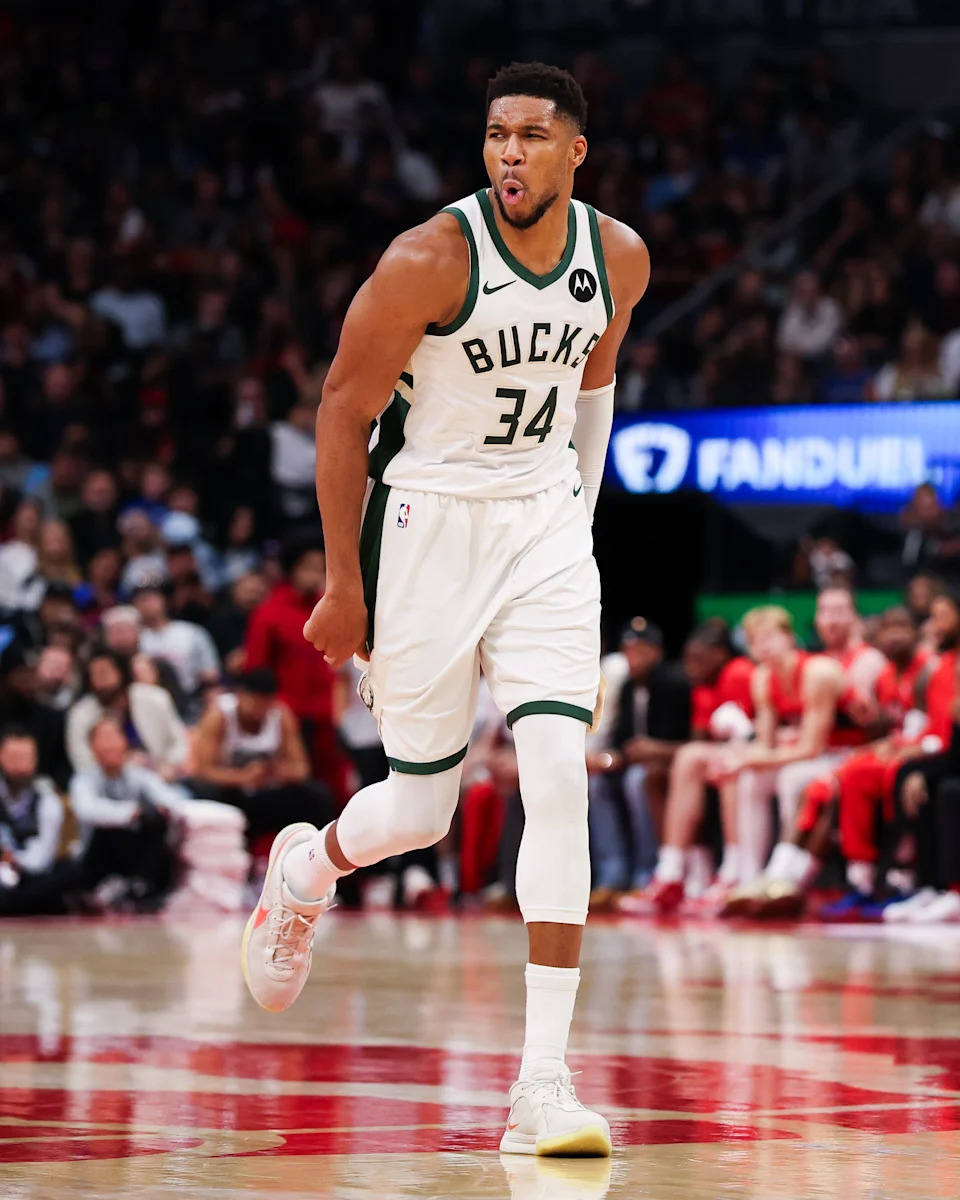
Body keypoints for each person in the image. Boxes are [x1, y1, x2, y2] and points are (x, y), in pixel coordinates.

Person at [240, 62, 650, 1159]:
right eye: (495, 134)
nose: (509, 152)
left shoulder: (617, 257)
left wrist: (578, 521)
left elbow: (594, 386)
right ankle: (306, 869)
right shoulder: (428, 258)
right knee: (420, 809)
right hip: (426, 523)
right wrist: (341, 581)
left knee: (560, 782)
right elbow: (341, 409)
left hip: (544, 528)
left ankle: (542, 1088)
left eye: (531, 135)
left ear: (576, 151)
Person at [621, 621, 754, 915]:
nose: (689, 667)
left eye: (697, 659)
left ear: (719, 655)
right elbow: (699, 739)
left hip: (759, 753)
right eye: (687, 659)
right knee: (678, 765)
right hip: (728, 753)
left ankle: (733, 872)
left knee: (718, 763)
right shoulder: (703, 689)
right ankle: (675, 873)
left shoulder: (738, 672)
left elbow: (748, 735)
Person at [588, 619, 690, 908]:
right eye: (629, 651)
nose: (634, 658)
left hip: (667, 765)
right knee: (597, 783)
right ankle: (613, 874)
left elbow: (687, 740)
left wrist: (652, 750)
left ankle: (648, 872)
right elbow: (622, 740)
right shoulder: (628, 687)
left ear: (657, 652)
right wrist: (611, 758)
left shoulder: (674, 683)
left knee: (636, 781)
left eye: (641, 651)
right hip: (635, 763)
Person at [243, 532, 350, 804]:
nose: (315, 575)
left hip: (325, 717)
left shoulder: (328, 608)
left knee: (335, 794)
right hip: (288, 719)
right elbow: (255, 670)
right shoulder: (269, 613)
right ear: (292, 569)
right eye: (309, 567)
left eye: (320, 568)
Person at [191, 667, 334, 844]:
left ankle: (314, 854)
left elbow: (302, 769)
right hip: (232, 791)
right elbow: (202, 771)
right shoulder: (219, 716)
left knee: (317, 795)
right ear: (240, 696)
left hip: (268, 789)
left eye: (265, 704)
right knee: (207, 793)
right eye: (254, 702)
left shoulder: (281, 716)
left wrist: (274, 772)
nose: (259, 710)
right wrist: (243, 777)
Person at [69, 716, 179, 910]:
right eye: (103, 739)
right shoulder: (82, 780)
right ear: (92, 747)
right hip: (97, 857)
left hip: (132, 855)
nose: (110, 745)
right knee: (108, 827)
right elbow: (88, 811)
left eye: (114, 737)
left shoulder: (140, 775)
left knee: (156, 819)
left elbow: (172, 800)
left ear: (125, 743)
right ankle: (98, 892)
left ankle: (140, 886)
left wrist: (159, 809)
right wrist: (131, 812)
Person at [66, 649, 190, 779]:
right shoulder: (80, 714)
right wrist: (120, 770)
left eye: (105, 673)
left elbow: (178, 741)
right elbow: (82, 761)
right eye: (94, 675)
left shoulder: (155, 698)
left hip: (161, 775)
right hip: (109, 784)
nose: (100, 681)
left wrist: (169, 765)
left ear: (121, 672)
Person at [0, 727, 78, 916]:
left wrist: (17, 862)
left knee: (70, 871)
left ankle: (15, 905)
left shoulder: (47, 798)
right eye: (14, 758)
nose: (20, 767)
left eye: (26, 758)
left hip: (31, 875)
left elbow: (44, 856)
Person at [132, 581, 220, 718]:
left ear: (164, 600)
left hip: (192, 702)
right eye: (141, 599)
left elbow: (211, 675)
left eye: (152, 597)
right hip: (152, 705)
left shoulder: (191, 632)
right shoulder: (134, 639)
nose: (147, 603)